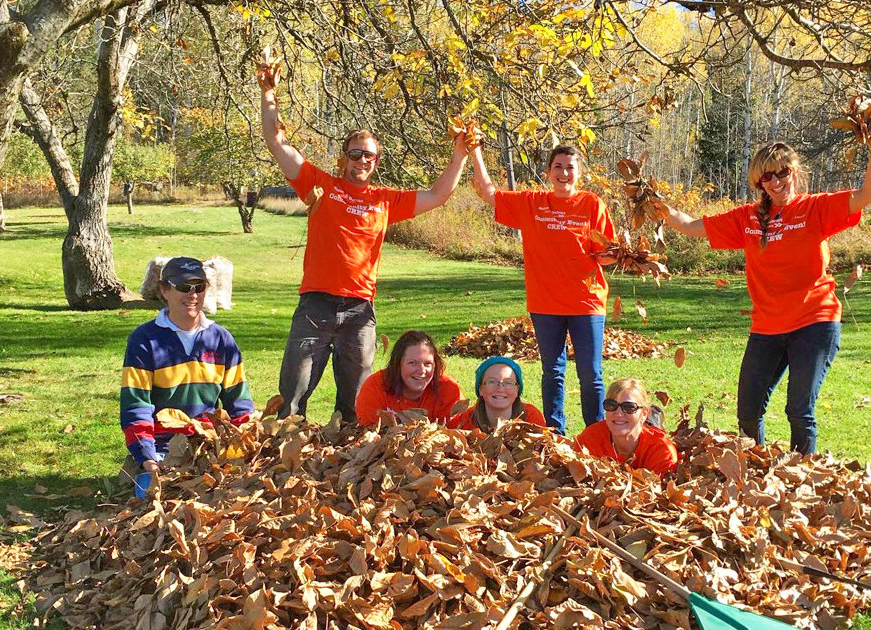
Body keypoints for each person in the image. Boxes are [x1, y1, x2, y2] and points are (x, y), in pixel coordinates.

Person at [259, 63, 469, 422]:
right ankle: (283, 462)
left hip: (360, 312)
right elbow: (277, 143)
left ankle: (344, 469)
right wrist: (268, 93)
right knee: (292, 399)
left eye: (368, 155)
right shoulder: (320, 185)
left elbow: (437, 194)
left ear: (376, 161)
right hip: (315, 305)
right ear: (343, 158)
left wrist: (461, 153)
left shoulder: (385, 200)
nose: (361, 160)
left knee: (355, 406)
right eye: (354, 154)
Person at [661, 141, 871, 454]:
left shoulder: (815, 208)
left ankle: (802, 483)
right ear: (759, 183)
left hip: (815, 323)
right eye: (767, 177)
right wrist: (653, 203)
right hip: (767, 328)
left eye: (782, 172)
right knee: (748, 413)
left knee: (798, 410)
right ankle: (755, 475)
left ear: (794, 172)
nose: (776, 182)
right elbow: (688, 226)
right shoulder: (748, 218)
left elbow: (868, 196)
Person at [468, 139, 616, 435]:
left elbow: (608, 255)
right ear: (548, 171)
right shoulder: (532, 203)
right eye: (558, 167)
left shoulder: (591, 204)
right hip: (546, 303)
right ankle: (555, 434)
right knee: (553, 371)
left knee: (591, 374)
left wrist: (618, 253)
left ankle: (597, 435)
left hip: (586, 302)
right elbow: (488, 192)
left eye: (570, 168)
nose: (564, 173)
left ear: (579, 173)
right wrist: (475, 151)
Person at [120, 257, 254, 495]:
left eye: (199, 287)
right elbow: (135, 406)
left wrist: (243, 448)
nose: (192, 295)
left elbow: (240, 405)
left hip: (209, 447)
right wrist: (148, 459)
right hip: (162, 448)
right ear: (164, 290)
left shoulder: (222, 339)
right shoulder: (144, 340)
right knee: (149, 499)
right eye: (183, 287)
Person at [355, 331, 464, 426]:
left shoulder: (449, 389)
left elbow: (457, 436)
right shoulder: (375, 387)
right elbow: (368, 436)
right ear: (398, 364)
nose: (421, 370)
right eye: (412, 363)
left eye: (427, 364)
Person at [575, 378, 678, 474]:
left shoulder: (662, 451)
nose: (618, 413)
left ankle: (654, 419)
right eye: (611, 405)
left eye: (629, 407)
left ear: (644, 413)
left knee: (651, 428)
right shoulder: (590, 439)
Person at [451, 356, 545, 433]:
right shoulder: (467, 420)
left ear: (517, 390)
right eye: (492, 382)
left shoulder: (531, 417)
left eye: (508, 383)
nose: (500, 389)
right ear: (480, 389)